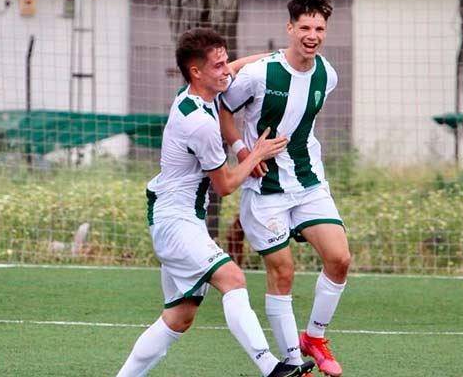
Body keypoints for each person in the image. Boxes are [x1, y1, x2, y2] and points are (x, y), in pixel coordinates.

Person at [116, 28, 314, 377]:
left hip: (178, 218)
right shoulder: (200, 124)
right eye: (218, 66)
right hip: (174, 221)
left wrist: (284, 57)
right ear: (197, 72)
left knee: (179, 317)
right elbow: (224, 185)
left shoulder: (196, 95)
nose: (227, 71)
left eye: (225, 62)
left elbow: (240, 65)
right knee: (233, 279)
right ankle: (271, 368)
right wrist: (256, 155)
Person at [219, 0, 351, 377]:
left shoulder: (327, 74)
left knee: (340, 259)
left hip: (309, 182)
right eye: (305, 27)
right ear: (290, 29)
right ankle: (295, 364)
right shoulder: (261, 73)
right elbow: (225, 109)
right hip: (265, 189)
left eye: (319, 28)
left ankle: (314, 337)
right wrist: (244, 153)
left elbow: (300, 122)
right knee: (283, 273)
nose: (312, 35)